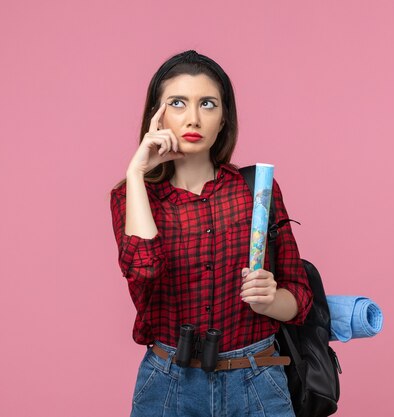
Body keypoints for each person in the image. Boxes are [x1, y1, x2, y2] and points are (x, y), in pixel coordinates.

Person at [110, 50, 313, 417]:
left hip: (256, 378)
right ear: (156, 117)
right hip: (168, 385)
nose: (193, 118)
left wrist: (270, 300)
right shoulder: (132, 196)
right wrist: (137, 173)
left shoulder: (257, 191)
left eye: (207, 104)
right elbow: (144, 271)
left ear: (223, 119)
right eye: (177, 103)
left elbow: (300, 298)